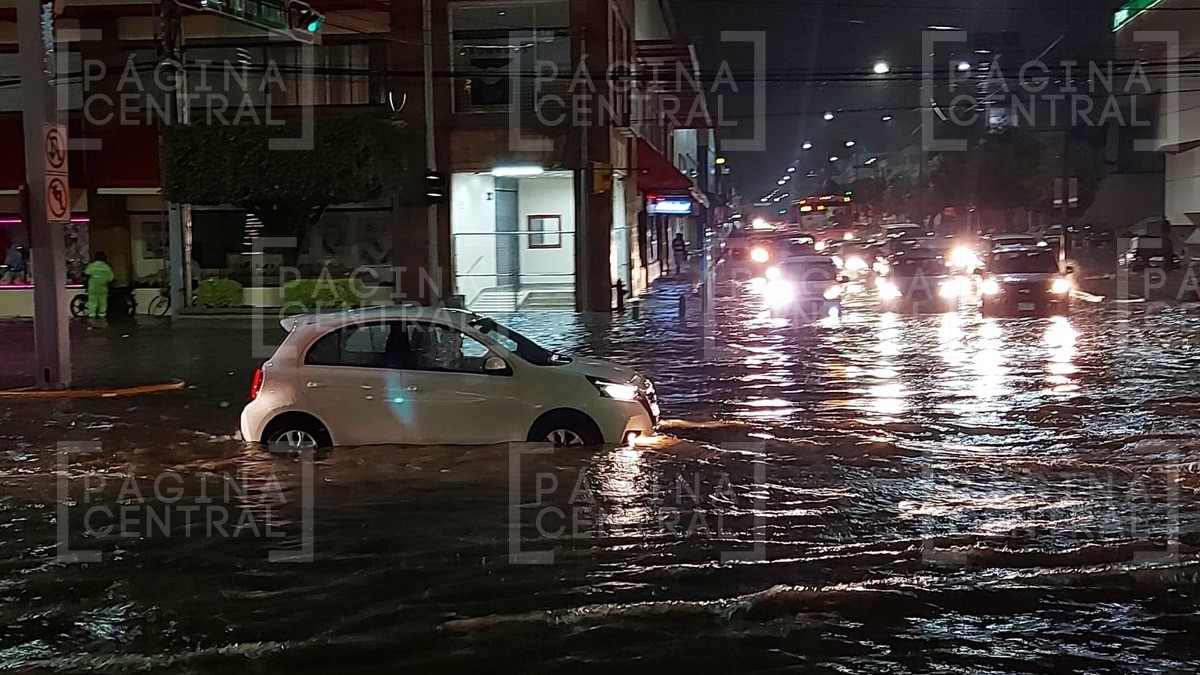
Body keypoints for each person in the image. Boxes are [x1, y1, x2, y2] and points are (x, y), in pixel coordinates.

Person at [83, 251, 115, 319]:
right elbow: (111, 278)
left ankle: (92, 315)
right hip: (103, 289)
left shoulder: (92, 266)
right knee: (103, 302)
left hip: (93, 288)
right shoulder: (107, 267)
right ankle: (102, 315)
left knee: (92, 302)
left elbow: (86, 273)